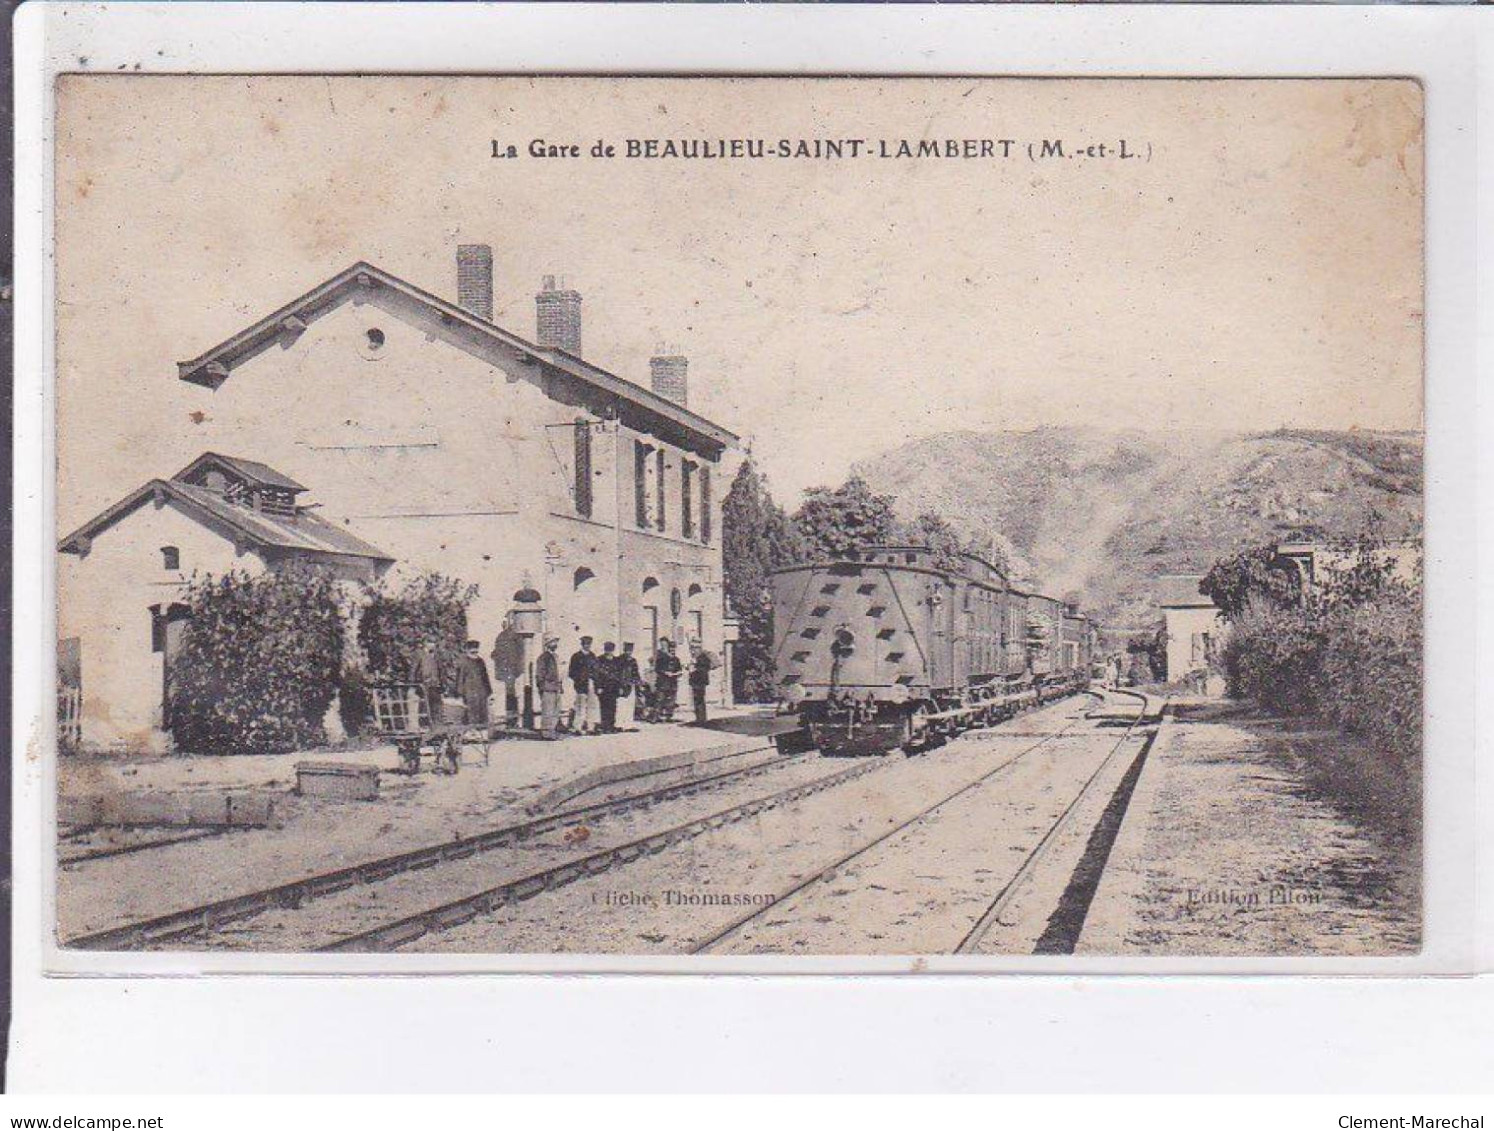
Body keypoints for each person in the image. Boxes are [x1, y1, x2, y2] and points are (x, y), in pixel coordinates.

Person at [490, 616, 525, 727]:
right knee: (511, 696)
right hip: (510, 672)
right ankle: (512, 720)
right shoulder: (508, 637)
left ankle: (512, 720)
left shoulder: (506, 637)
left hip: (510, 672)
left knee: (511, 696)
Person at [457, 639, 492, 728]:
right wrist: (460, 693)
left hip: (481, 691)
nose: (475, 651)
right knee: (470, 712)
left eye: (476, 649)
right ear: (468, 650)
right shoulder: (464, 662)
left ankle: (482, 732)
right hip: (469, 691)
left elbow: (485, 676)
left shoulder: (480, 661)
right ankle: (471, 732)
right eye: (472, 650)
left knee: (482, 711)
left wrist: (488, 691)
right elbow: (460, 677)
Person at [567, 636, 598, 735]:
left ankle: (590, 727)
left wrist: (594, 678)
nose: (587, 646)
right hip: (581, 685)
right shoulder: (576, 656)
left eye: (589, 644)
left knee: (591, 706)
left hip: (591, 683)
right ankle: (578, 727)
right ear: (582, 644)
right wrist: (579, 679)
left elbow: (597, 669)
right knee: (580, 706)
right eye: (585, 644)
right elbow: (571, 672)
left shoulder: (593, 656)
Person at [535, 635, 563, 739]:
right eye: (552, 642)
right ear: (547, 644)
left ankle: (552, 730)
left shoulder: (555, 656)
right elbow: (540, 674)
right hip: (548, 687)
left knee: (556, 710)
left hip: (556, 687)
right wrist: (542, 686)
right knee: (548, 710)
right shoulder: (543, 657)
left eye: (556, 642)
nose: (555, 644)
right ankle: (546, 732)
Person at [413, 638, 443, 727]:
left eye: (433, 643)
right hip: (424, 684)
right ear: (425, 644)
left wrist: (442, 683)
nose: (432, 645)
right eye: (430, 643)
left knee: (436, 704)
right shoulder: (420, 655)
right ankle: (424, 725)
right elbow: (414, 669)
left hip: (435, 684)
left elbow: (440, 670)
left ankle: (436, 724)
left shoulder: (437, 656)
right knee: (424, 705)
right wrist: (414, 683)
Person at [594, 641, 623, 733]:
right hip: (604, 688)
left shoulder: (616, 661)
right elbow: (597, 675)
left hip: (613, 687)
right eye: (607, 650)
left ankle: (611, 725)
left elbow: (619, 675)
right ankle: (605, 726)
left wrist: (620, 687)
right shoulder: (599, 660)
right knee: (604, 707)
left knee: (613, 707)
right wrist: (598, 686)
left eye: (610, 650)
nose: (609, 652)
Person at [688, 638, 717, 725]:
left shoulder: (703, 657)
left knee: (699, 699)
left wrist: (695, 667)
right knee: (697, 699)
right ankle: (699, 718)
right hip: (696, 680)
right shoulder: (696, 657)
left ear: (699, 648)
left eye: (695, 648)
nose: (693, 650)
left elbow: (704, 668)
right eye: (692, 648)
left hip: (700, 680)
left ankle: (701, 719)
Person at [653, 638, 682, 722]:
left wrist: (677, 673)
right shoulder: (662, 658)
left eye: (674, 649)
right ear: (668, 649)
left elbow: (679, 670)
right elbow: (657, 669)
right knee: (659, 699)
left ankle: (669, 716)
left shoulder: (677, 660)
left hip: (672, 683)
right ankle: (655, 716)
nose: (672, 651)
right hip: (662, 682)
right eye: (671, 649)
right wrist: (665, 672)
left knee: (671, 700)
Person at [617, 642, 642, 730]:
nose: (629, 652)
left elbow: (636, 673)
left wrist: (638, 681)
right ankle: (620, 724)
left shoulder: (633, 661)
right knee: (621, 705)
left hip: (631, 685)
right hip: (622, 685)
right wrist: (619, 685)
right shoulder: (619, 660)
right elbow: (618, 674)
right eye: (627, 650)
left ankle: (628, 724)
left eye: (630, 651)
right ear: (624, 650)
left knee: (630, 705)